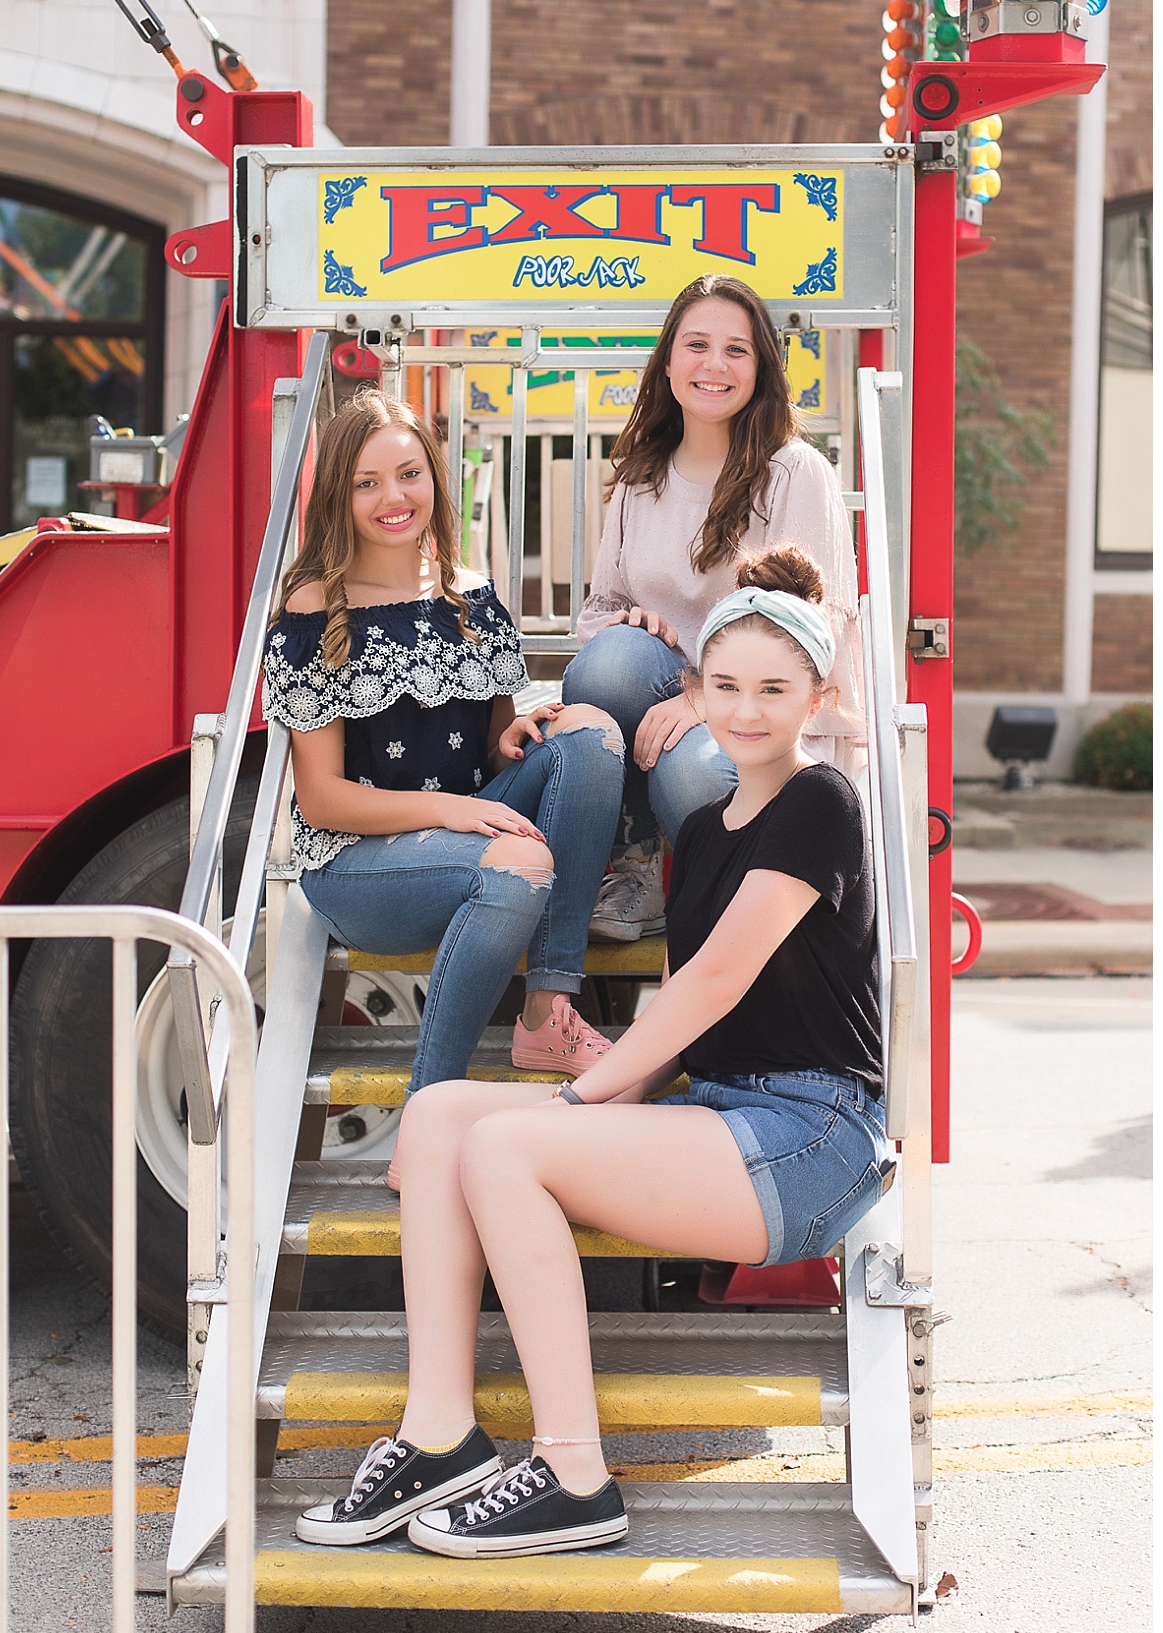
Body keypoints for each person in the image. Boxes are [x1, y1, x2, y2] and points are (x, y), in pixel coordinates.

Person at [296, 544, 888, 1559]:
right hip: (723, 1113)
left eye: (774, 688)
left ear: (816, 695)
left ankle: (575, 1470)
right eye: (727, 684)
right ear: (696, 688)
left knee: (510, 1147)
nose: (746, 710)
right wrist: (611, 1083)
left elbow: (713, 983)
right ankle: (438, 1428)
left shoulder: (820, 803)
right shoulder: (700, 831)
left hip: (812, 1136)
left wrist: (575, 1107)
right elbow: (684, 1016)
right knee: (441, 1114)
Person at [263, 389, 625, 1091]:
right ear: (339, 495)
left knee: (591, 733)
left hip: (469, 830)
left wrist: (515, 734)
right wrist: (449, 812)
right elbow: (322, 800)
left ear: (434, 476)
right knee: (516, 864)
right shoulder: (314, 606)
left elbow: (491, 754)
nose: (393, 497)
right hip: (360, 866)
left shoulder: (473, 595)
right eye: (367, 483)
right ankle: (431, 1105)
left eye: (409, 474)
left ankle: (548, 1010)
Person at [562, 272, 866, 943]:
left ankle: (735, 929)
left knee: (695, 771)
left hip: (762, 712)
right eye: (697, 344)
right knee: (607, 666)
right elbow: (597, 614)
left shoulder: (794, 472)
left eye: (737, 349)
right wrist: (628, 623)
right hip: (665, 687)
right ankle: (637, 870)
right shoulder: (641, 480)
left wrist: (706, 696)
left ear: (761, 369)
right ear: (668, 361)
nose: (714, 365)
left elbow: (811, 631)